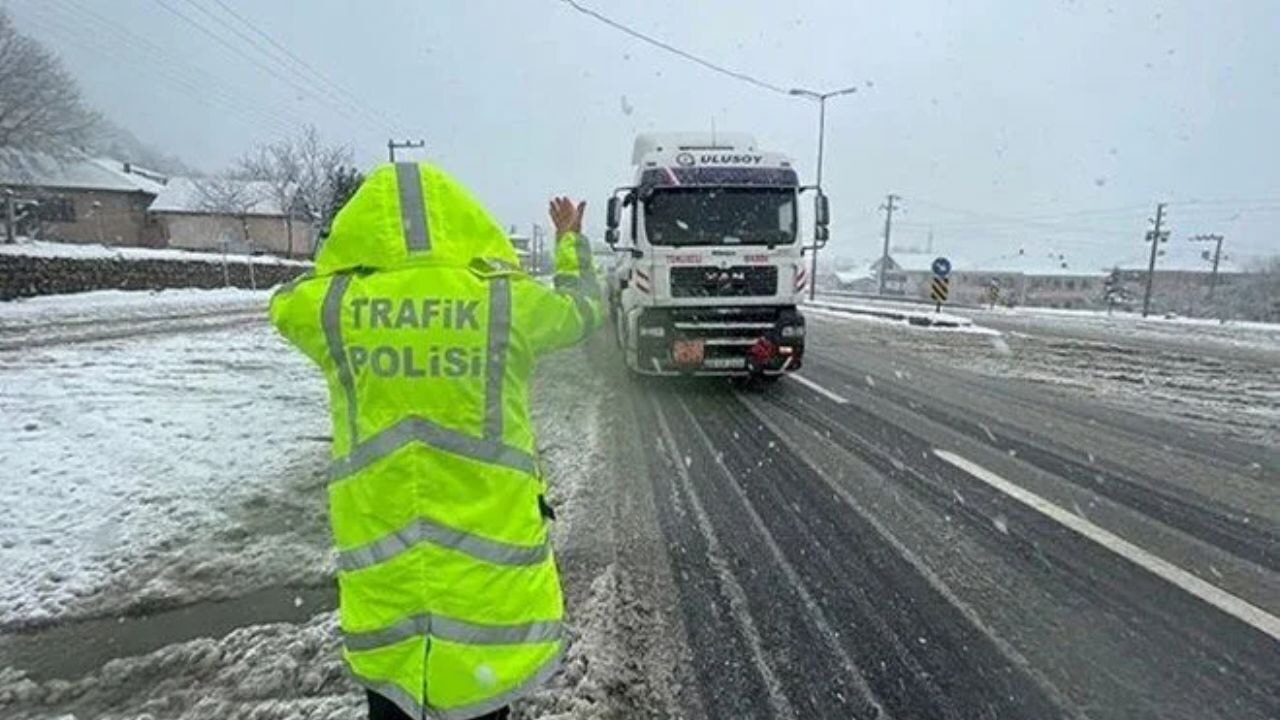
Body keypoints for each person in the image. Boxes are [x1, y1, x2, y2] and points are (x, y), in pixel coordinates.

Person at [269, 161, 603, 720]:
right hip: (485, 594)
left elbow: (285, 301)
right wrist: (569, 245)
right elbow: (583, 311)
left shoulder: (336, 310)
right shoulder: (504, 303)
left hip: (388, 594)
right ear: (462, 220)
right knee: (481, 705)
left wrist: (346, 256)